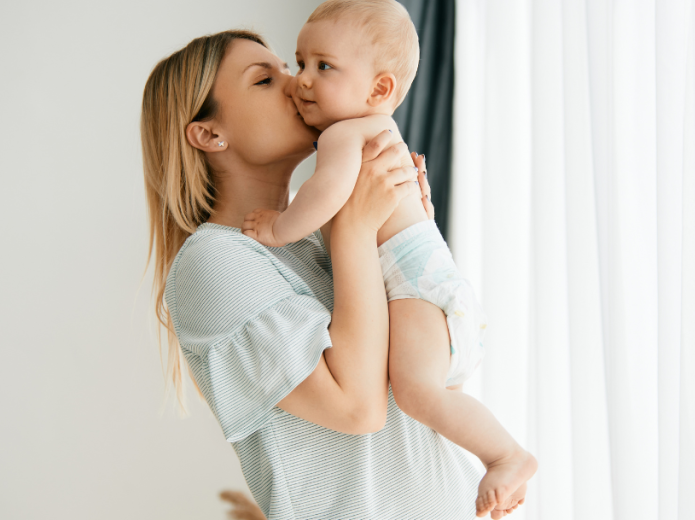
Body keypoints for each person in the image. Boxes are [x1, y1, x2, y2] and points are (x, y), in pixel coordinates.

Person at [140, 30, 524, 519]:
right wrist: (358, 228)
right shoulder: (212, 262)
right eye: (264, 79)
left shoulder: (319, 236)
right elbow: (358, 409)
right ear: (210, 134)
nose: (297, 83)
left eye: (291, 66)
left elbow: (430, 387)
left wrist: (407, 236)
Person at [241, 0, 536, 517]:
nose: (303, 79)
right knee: (420, 398)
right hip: (429, 289)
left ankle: (507, 455)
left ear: (380, 88)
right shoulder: (374, 133)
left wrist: (278, 227)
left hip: (418, 288)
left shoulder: (346, 134)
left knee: (419, 397)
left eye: (323, 66)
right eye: (301, 62)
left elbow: (328, 194)